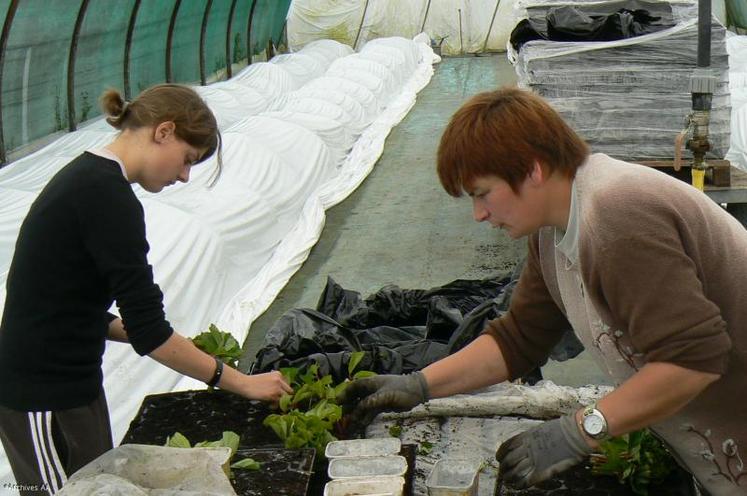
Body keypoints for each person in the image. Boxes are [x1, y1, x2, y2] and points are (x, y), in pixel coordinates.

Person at [340, 87, 747, 496]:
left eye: (483, 193)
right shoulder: (553, 233)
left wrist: (581, 430)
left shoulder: (618, 214)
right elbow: (520, 338)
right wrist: (418, 386)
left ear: (533, 169)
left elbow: (693, 359)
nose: (479, 214)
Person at [0, 84, 292, 496]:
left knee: (97, 486)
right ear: (163, 131)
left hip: (75, 383)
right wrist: (242, 382)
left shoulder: (94, 184)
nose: (184, 176)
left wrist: (169, 341)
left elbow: (67, 300)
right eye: (188, 160)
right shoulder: (104, 194)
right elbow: (151, 332)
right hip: (40, 395)